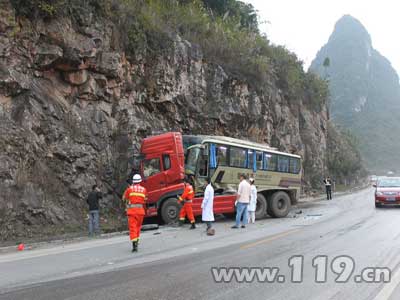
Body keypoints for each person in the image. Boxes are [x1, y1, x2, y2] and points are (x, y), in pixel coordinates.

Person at [122, 174, 147, 252]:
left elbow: (124, 198)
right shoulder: (144, 189)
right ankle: (137, 241)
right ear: (140, 181)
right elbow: (145, 200)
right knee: (138, 227)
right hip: (140, 211)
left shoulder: (129, 189)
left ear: (133, 181)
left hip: (132, 211)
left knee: (133, 228)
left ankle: (134, 245)